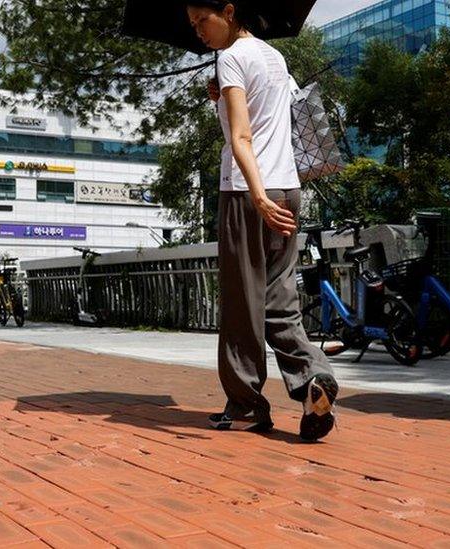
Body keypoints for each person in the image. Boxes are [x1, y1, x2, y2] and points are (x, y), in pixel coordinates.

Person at [186, 0, 338, 441]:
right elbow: (272, 118)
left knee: (240, 307)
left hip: (247, 193)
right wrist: (222, 100)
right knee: (278, 303)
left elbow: (242, 136)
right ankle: (313, 377)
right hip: (288, 188)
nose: (198, 31)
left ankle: (247, 405)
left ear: (229, 11)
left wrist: (255, 195)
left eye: (202, 21)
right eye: (193, 25)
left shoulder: (230, 58)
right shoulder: (274, 56)